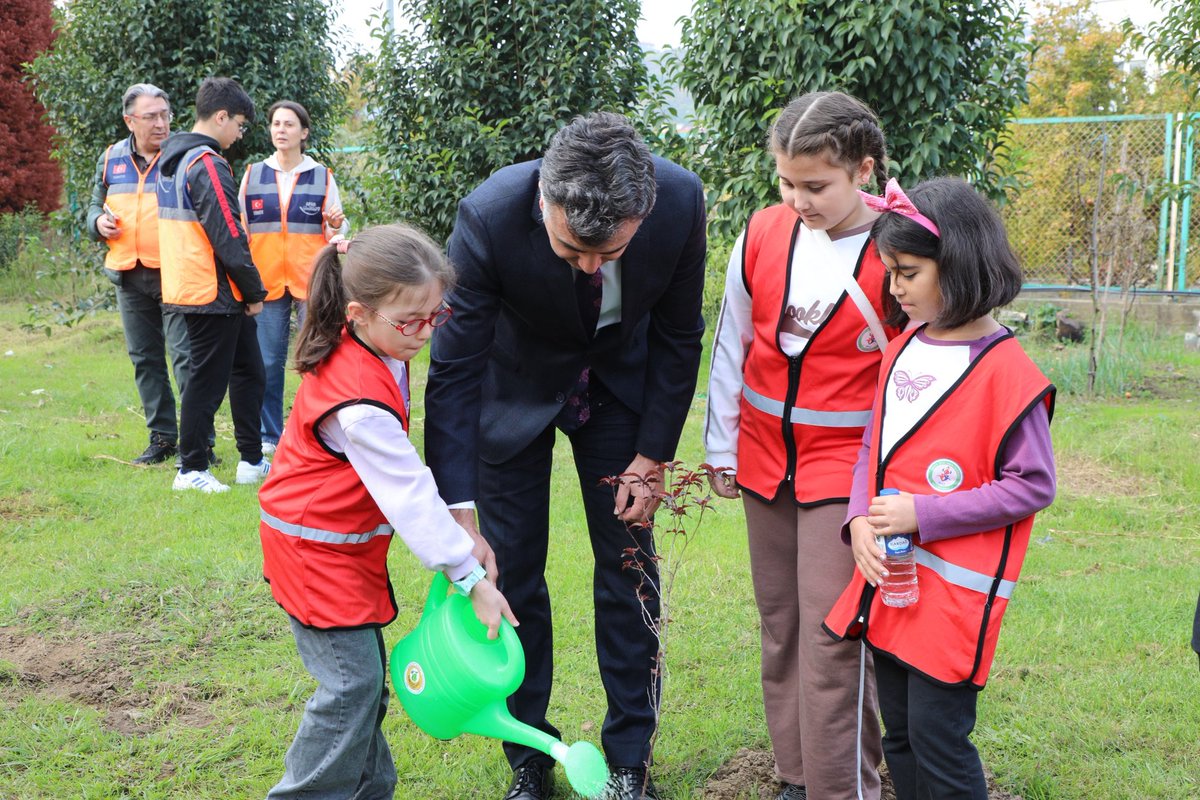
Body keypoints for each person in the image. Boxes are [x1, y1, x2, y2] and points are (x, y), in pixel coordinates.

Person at [424, 111, 706, 800]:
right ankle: (528, 756)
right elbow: (454, 370)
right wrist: (457, 510)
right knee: (510, 572)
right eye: (572, 248)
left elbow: (678, 335)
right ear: (545, 200)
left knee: (628, 570)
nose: (590, 266)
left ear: (644, 211)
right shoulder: (488, 215)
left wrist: (652, 455)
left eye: (609, 253)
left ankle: (628, 762)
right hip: (513, 392)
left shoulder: (681, 202)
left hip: (619, 396)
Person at [258, 223, 515, 799]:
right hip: (312, 553)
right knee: (351, 687)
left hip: (337, 549)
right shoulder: (358, 406)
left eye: (435, 316)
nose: (425, 333)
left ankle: (370, 789)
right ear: (358, 313)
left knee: (364, 685)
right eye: (410, 321)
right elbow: (407, 494)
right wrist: (470, 577)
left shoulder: (374, 345)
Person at [824, 177, 1057, 800]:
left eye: (908, 272)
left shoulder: (1009, 372)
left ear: (958, 264)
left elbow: (1032, 485)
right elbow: (871, 447)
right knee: (897, 733)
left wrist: (923, 514)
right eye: (889, 272)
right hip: (893, 587)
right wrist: (859, 523)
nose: (894, 287)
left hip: (952, 602)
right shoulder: (902, 347)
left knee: (938, 737)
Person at [704, 91, 894, 800]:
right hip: (763, 459)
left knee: (832, 633)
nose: (798, 200)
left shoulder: (900, 244)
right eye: (786, 182)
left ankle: (843, 788)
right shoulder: (760, 231)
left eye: (816, 185)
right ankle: (796, 774)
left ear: (863, 170)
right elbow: (734, 339)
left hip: (850, 473)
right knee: (781, 624)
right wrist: (721, 445)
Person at [156, 77, 269, 493]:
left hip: (202, 288)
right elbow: (227, 233)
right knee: (207, 381)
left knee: (249, 372)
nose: (240, 134)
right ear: (221, 116)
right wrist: (254, 290)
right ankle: (190, 470)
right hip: (211, 292)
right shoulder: (204, 162)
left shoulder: (174, 159)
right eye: (239, 124)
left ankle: (251, 461)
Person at [86, 83, 192, 465]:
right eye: (151, 116)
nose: (161, 123)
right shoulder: (111, 157)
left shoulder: (186, 156)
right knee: (145, 360)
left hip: (177, 273)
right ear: (130, 120)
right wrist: (98, 222)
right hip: (128, 275)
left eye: (165, 114)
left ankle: (199, 443)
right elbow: (92, 206)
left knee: (185, 359)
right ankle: (162, 439)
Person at [238, 100, 348, 456]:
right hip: (266, 280)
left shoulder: (322, 176)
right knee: (267, 362)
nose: (280, 130)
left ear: (303, 133)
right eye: (275, 123)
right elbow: (241, 228)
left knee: (315, 358)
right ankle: (270, 435)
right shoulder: (253, 174)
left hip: (310, 280)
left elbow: (338, 229)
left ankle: (315, 428)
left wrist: (336, 225)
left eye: (288, 124)